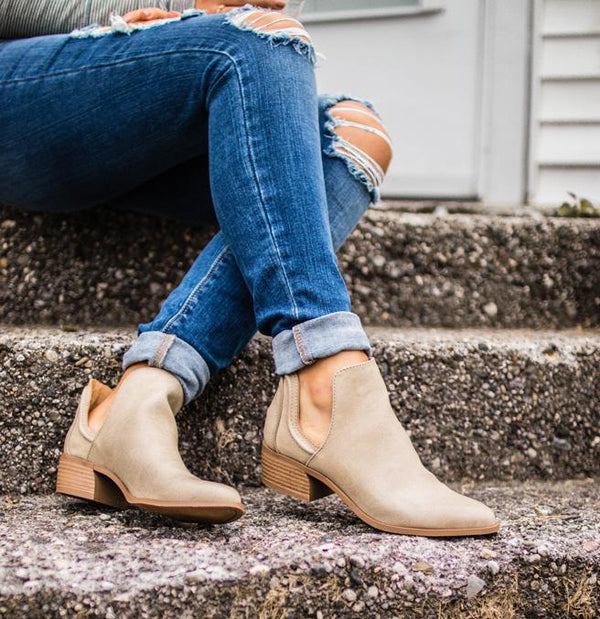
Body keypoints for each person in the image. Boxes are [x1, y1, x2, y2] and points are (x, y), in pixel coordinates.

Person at [0, 1, 499, 536]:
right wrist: (152, 11)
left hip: (147, 99)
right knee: (256, 39)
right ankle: (327, 386)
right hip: (31, 90)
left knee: (354, 134)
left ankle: (139, 397)